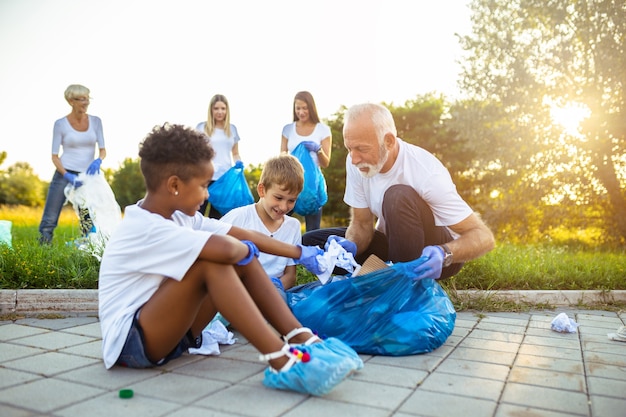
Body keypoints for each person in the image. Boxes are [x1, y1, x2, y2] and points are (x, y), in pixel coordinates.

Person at [98, 123, 362, 396]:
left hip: (172, 333)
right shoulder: (146, 227)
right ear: (174, 185)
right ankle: (282, 361)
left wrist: (302, 252)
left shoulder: (180, 215)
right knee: (211, 263)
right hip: (132, 344)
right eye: (203, 186)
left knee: (229, 256)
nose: (207, 194)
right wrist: (242, 252)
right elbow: (228, 250)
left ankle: (303, 338)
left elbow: (240, 234)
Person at [303, 103, 495, 281]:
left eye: (361, 149)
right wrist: (351, 245)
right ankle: (384, 274)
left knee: (396, 196)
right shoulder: (356, 162)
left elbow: (483, 236)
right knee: (311, 243)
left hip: (434, 255)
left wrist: (444, 253)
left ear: (388, 141)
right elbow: (362, 224)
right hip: (393, 245)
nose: (353, 159)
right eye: (349, 148)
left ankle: (401, 285)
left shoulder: (426, 172)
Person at [221, 154, 304, 302]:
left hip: (274, 291)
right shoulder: (238, 218)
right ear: (262, 190)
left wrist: (270, 290)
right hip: (238, 288)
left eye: (291, 200)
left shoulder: (293, 226)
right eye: (278, 198)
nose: (284, 207)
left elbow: (290, 276)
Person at [39, 84, 106, 245]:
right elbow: (54, 156)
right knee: (50, 216)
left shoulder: (96, 122)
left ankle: (87, 248)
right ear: (71, 101)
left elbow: (103, 150)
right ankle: (43, 247)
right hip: (64, 173)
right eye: (81, 99)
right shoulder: (60, 124)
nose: (85, 102)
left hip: (87, 176)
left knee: (87, 216)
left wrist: (98, 160)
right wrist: (66, 174)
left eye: (87, 98)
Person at [280, 91, 332, 232]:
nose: (301, 112)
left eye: (305, 108)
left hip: (312, 186)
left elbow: (326, 163)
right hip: (290, 184)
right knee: (279, 224)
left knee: (313, 230)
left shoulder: (323, 130)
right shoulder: (288, 129)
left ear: (311, 108)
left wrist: (318, 150)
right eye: (298, 108)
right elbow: (282, 157)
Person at [195, 94, 242, 218]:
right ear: (211, 110)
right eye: (216, 108)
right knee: (197, 211)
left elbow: (235, 152)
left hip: (224, 179)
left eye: (223, 108)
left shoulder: (232, 129)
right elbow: (195, 150)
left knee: (217, 217)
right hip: (204, 176)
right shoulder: (201, 127)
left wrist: (239, 163)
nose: (220, 112)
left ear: (227, 110)